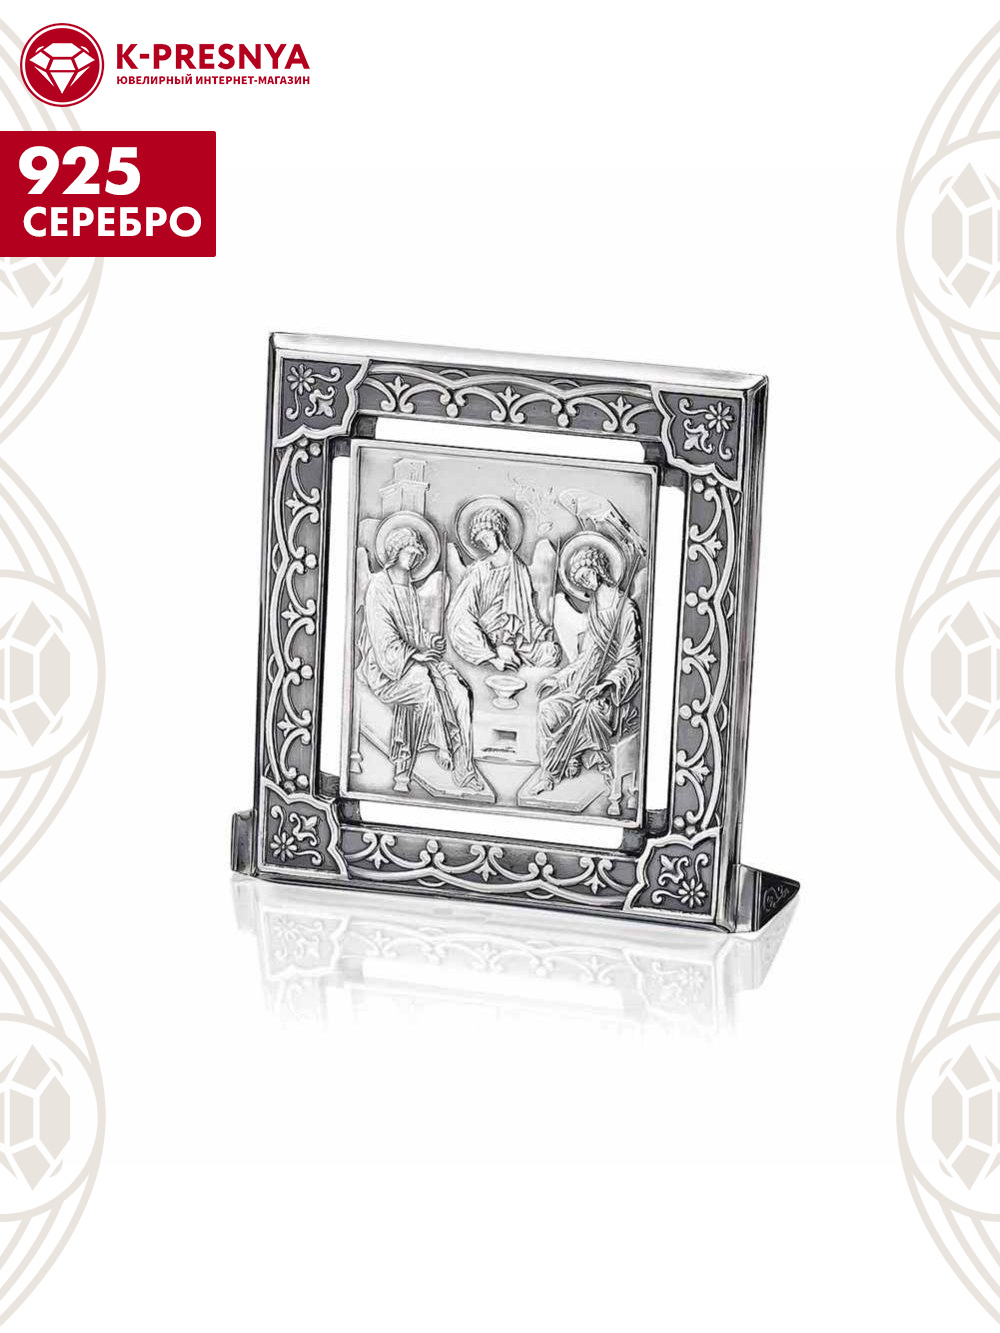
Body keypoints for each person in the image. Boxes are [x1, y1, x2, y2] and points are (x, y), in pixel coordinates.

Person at [359, 525, 481, 792]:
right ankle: (444, 745)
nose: (414, 557)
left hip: (414, 659)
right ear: (395, 551)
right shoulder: (379, 586)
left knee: (459, 692)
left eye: (417, 553)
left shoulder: (408, 586)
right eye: (409, 551)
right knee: (423, 681)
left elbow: (413, 632)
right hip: (386, 668)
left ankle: (464, 770)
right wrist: (415, 654)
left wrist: (429, 641)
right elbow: (383, 638)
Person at [524, 542, 641, 797]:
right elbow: (584, 658)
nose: (585, 582)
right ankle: (548, 772)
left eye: (586, 574)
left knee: (587, 711)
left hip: (611, 696)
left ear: (598, 568)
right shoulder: (594, 610)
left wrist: (608, 684)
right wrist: (559, 679)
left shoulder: (625, 608)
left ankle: (564, 766)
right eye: (579, 580)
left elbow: (630, 658)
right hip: (584, 685)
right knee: (548, 709)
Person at [446, 505, 560, 671]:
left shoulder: (518, 568)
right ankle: (498, 652)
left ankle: (510, 649)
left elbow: (527, 611)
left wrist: (541, 632)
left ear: (498, 532)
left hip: (516, 636)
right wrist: (491, 657)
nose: (485, 544)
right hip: (486, 636)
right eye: (481, 541)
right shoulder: (479, 570)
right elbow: (460, 614)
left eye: (486, 537)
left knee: (551, 653)